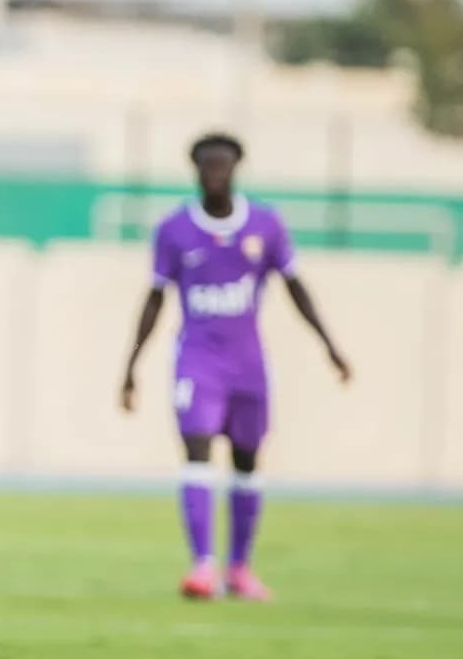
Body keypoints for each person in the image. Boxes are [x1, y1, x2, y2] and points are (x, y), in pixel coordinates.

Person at [120, 133, 351, 601]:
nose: (215, 174)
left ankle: (240, 569)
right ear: (196, 171)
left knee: (247, 463)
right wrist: (131, 366)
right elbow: (154, 297)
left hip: (247, 366)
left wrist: (329, 345)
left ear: (236, 169)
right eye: (207, 167)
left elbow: (294, 286)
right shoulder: (175, 230)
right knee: (198, 454)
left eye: (223, 166)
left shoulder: (265, 225)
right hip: (198, 362)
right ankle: (203, 566)